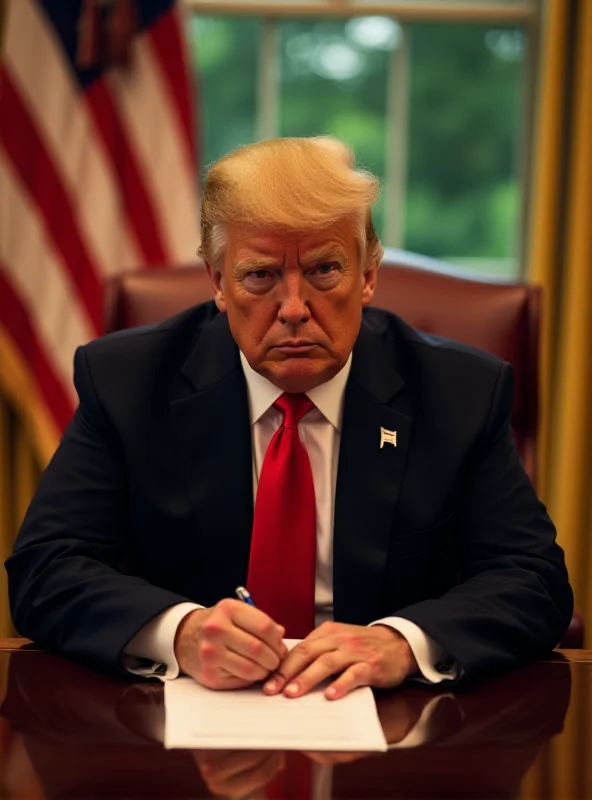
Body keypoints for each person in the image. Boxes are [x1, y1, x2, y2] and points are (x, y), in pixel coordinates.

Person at [6, 137, 573, 699]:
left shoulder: (461, 393)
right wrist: (179, 632)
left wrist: (402, 643)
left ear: (368, 274)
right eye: (260, 275)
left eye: (325, 270)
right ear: (217, 283)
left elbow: (534, 582)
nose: (296, 308)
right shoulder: (127, 381)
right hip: (182, 722)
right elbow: (46, 568)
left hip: (383, 731)